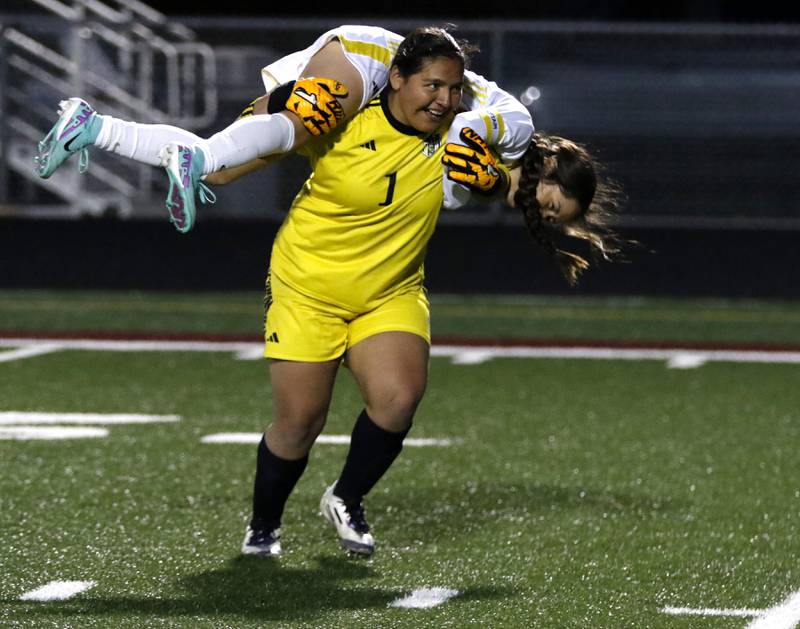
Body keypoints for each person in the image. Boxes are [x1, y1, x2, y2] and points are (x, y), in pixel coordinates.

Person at [231, 27, 623, 557]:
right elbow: (278, 130)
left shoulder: (483, 156)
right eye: (551, 206)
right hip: (308, 283)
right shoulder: (385, 115)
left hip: (390, 288)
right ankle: (264, 523)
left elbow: (491, 170)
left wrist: (489, 181)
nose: (441, 100)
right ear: (398, 79)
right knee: (300, 421)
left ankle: (346, 497)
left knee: (398, 398)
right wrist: (242, 133)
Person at [33, 25, 532, 234]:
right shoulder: (517, 128)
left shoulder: (498, 151)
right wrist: (483, 182)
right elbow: (461, 131)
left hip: (383, 86)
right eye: (547, 201)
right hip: (370, 57)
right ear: (543, 167)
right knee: (309, 117)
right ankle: (201, 158)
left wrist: (477, 186)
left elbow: (450, 178)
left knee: (222, 169)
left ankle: (93, 128)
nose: (536, 209)